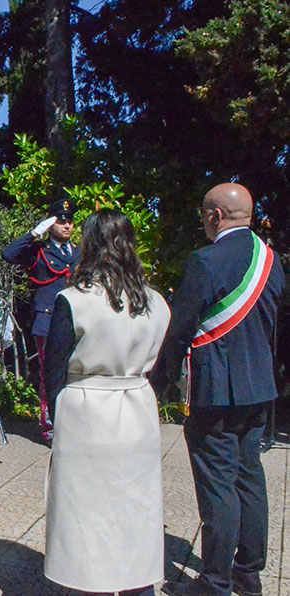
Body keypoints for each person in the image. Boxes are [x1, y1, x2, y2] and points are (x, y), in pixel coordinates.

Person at [153, 183, 285, 596]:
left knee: (218, 485)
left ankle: (214, 581)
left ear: (215, 217)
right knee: (250, 479)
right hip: (259, 386)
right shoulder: (272, 261)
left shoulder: (205, 261)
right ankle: (248, 572)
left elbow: (179, 328)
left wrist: (161, 382)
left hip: (216, 390)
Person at [42, 210, 170, 596]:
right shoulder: (156, 302)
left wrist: (57, 409)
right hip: (137, 407)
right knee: (135, 514)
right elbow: (162, 366)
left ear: (89, 244)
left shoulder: (74, 300)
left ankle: (88, 585)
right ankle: (136, 586)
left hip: (87, 410)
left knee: (85, 518)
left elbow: (53, 367)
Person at [2, 198, 79, 440]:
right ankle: (51, 425)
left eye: (70, 221)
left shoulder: (79, 252)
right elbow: (8, 254)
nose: (67, 226)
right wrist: (36, 232)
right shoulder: (39, 251)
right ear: (51, 223)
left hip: (77, 321)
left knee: (74, 375)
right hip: (48, 322)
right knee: (50, 375)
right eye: (60, 221)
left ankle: (73, 423)